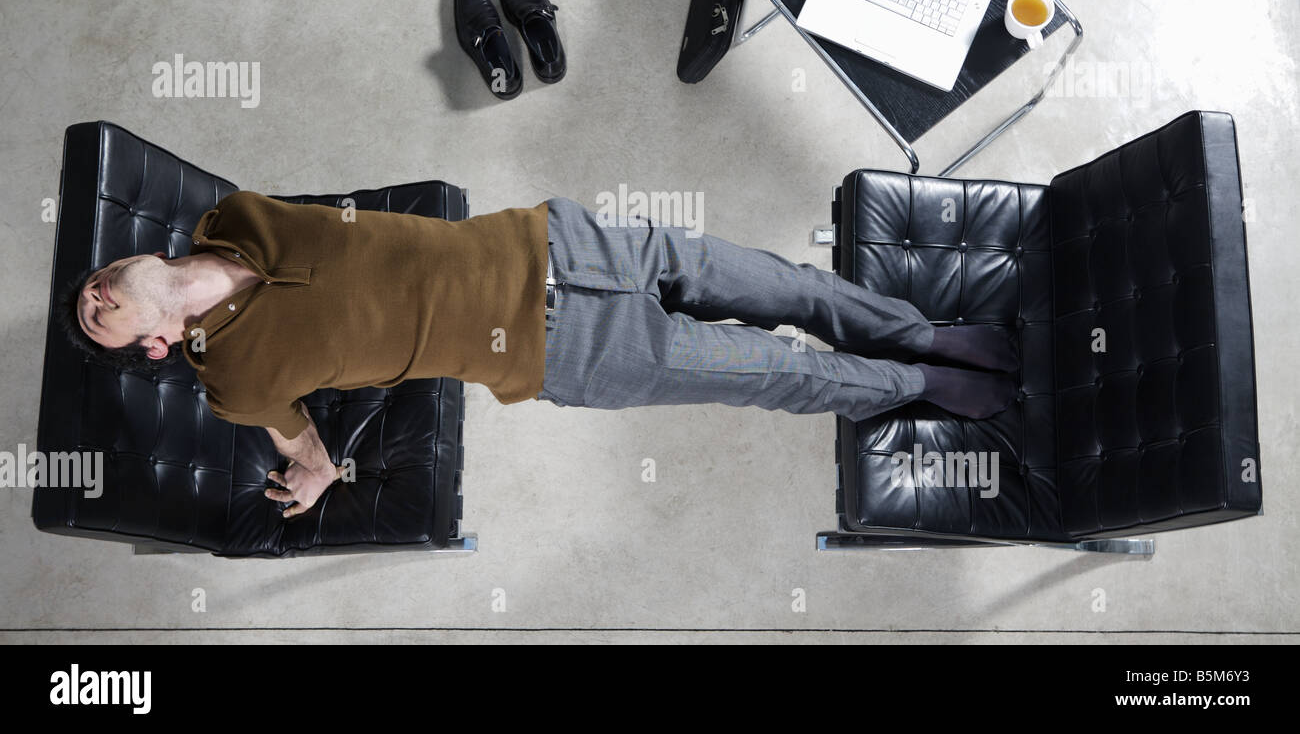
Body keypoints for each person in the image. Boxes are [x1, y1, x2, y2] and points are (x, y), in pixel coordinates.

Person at [56, 192, 1017, 518]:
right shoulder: (232, 382)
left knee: (780, 282)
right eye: (95, 315)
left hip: (553, 242)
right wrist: (310, 473)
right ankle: (917, 381)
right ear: (150, 343)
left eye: (94, 280)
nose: (94, 291)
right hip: (568, 351)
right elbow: (298, 441)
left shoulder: (229, 217)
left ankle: (917, 331)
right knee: (775, 370)